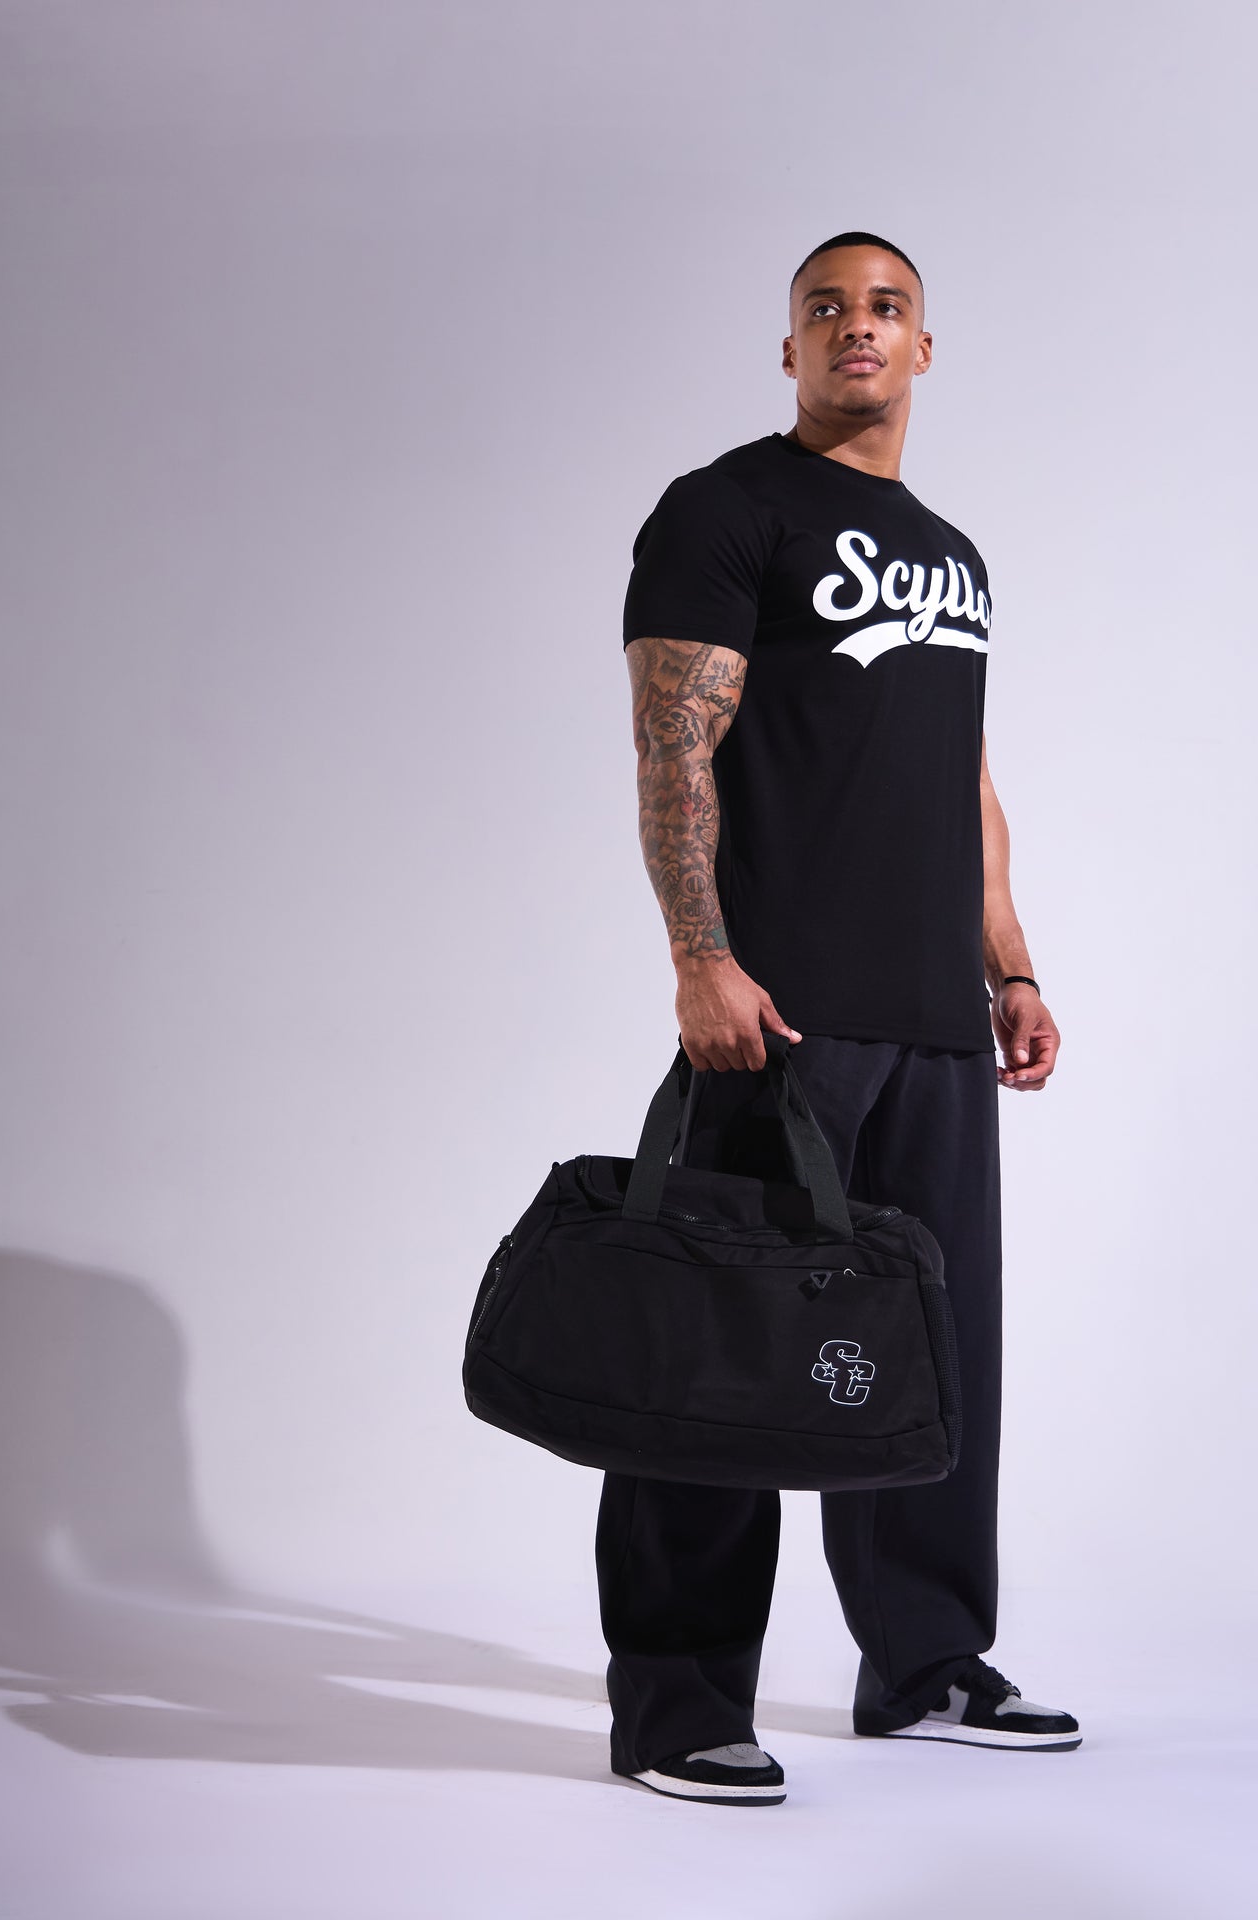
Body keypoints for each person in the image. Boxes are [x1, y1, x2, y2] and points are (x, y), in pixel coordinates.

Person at [596, 231, 1080, 1806]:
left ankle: (924, 1662)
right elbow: (674, 742)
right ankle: (678, 1706)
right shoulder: (725, 510)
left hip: (934, 1021)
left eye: (886, 308)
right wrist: (700, 957)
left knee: (934, 1356)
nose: (855, 327)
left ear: (924, 349)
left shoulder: (956, 556)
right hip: (778, 1016)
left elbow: (967, 778)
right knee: (717, 1352)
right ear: (790, 348)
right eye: (825, 309)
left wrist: (1009, 966)